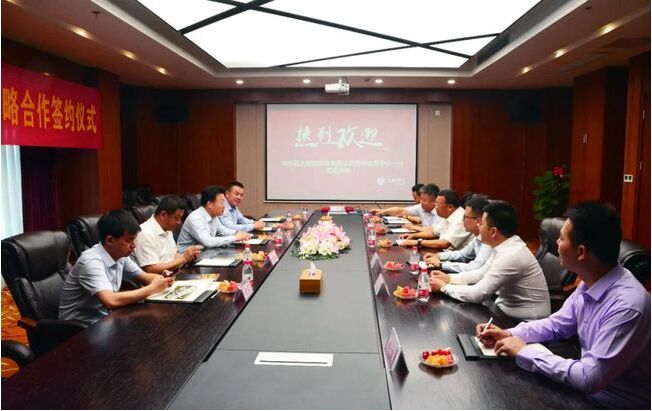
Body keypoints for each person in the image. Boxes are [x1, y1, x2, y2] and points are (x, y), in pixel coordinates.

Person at [475, 202, 650, 409]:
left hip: (610, 403)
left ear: (581, 252)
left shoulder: (628, 306)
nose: (556, 243)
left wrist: (525, 351)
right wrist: (509, 334)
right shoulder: (591, 280)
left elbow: (589, 377)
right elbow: (557, 324)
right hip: (584, 392)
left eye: (561, 238)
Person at [430, 200, 550, 320]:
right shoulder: (504, 245)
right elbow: (481, 273)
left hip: (523, 321)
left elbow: (478, 294)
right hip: (504, 310)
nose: (478, 226)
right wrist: (448, 278)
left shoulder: (511, 255)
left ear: (493, 231)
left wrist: (444, 288)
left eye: (481, 223)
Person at [59, 209, 174, 326]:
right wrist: (152, 288)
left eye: (134, 239)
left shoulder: (120, 255)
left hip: (105, 318)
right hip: (78, 328)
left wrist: (161, 279)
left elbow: (144, 277)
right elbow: (110, 301)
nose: (134, 246)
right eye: (129, 240)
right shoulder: (90, 261)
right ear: (109, 240)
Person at [133, 195, 202, 274]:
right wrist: (183, 259)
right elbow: (151, 269)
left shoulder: (167, 228)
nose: (179, 222)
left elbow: (172, 255)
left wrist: (189, 257)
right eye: (176, 218)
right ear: (163, 215)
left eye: (180, 218)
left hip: (172, 273)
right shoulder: (145, 233)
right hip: (158, 278)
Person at [423, 194, 492, 273]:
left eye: (465, 217)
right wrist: (438, 255)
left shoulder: (488, 242)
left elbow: (474, 268)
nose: (462, 220)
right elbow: (462, 254)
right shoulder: (478, 237)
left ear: (478, 221)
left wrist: (441, 264)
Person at [177, 185, 250, 253]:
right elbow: (208, 241)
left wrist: (237, 233)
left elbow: (222, 230)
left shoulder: (213, 215)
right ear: (209, 204)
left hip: (204, 253)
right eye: (222, 203)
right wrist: (234, 238)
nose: (224, 206)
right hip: (186, 259)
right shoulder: (196, 218)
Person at [400, 189, 472, 250]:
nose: (435, 206)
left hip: (456, 258)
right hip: (444, 253)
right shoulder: (448, 215)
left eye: (438, 204)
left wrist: (417, 242)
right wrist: (413, 236)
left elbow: (445, 243)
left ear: (450, 207)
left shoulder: (460, 219)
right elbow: (434, 232)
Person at [370, 183, 441, 228]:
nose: (421, 202)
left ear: (434, 201)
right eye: (421, 199)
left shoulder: (440, 213)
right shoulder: (421, 207)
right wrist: (383, 211)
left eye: (424, 200)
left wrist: (413, 227)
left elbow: (432, 232)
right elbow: (401, 211)